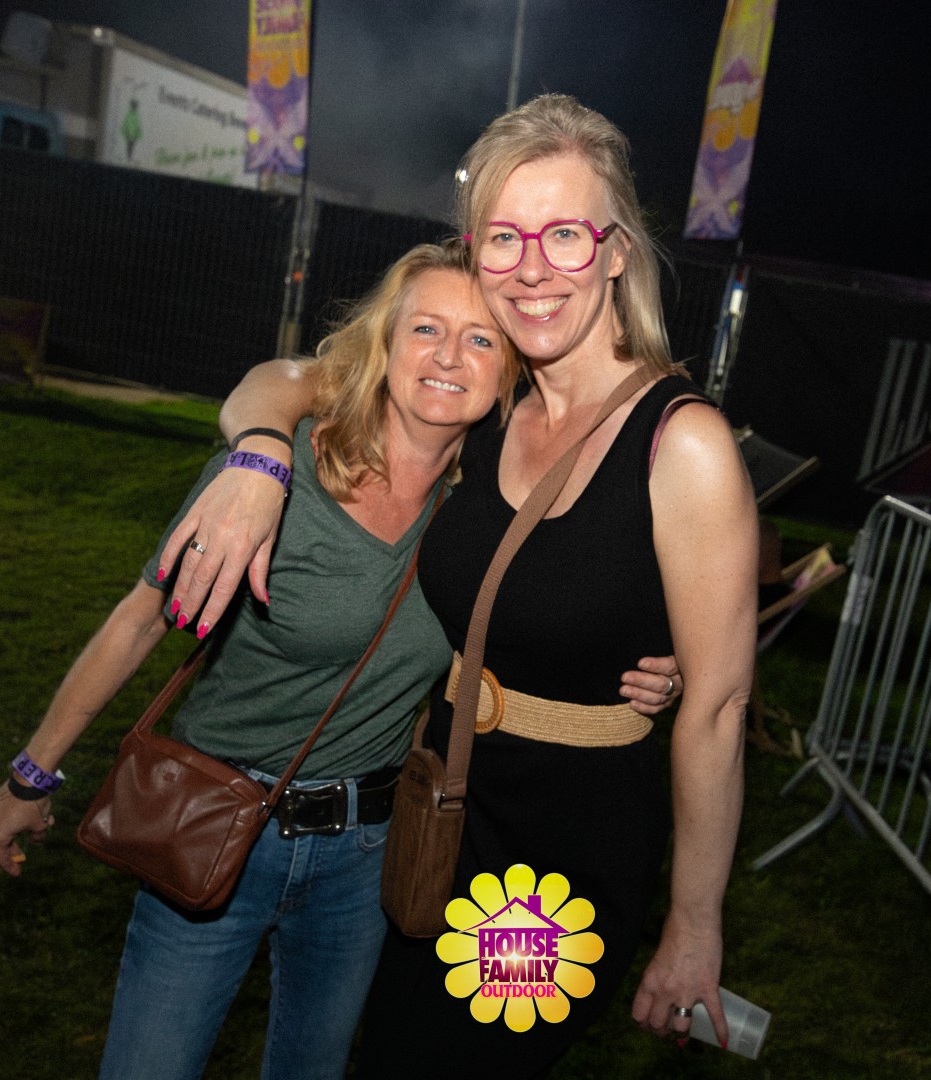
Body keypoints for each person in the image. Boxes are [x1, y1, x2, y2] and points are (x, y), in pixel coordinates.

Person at [159, 94, 758, 1075]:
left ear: (615, 251)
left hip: (558, 851)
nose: (532, 268)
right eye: (505, 237)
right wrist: (260, 457)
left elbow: (721, 706)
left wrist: (695, 924)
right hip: (437, 806)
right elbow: (294, 379)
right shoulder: (496, 403)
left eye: (564, 235)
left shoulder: (680, 442)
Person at [0, 240, 681, 1080]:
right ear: (385, 344)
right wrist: (32, 775)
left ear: (509, 372)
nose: (448, 357)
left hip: (366, 855)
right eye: (425, 329)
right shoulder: (276, 481)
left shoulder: (481, 519)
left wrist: (649, 669)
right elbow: (138, 624)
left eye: (480, 339)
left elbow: (553, 622)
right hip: (214, 822)